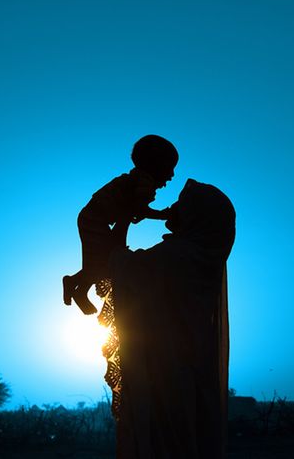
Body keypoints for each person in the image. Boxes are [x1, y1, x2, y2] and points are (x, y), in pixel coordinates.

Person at [102, 178, 236, 459]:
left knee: (166, 440)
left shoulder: (178, 256)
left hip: (167, 371)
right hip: (187, 369)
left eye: (181, 205)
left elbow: (119, 264)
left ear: (196, 217)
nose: (173, 207)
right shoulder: (201, 257)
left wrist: (125, 218)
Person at [62, 135, 179, 315]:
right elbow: (137, 210)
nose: (171, 176)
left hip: (97, 219)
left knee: (102, 260)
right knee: (103, 261)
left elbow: (131, 212)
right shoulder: (142, 182)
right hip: (95, 219)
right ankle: (78, 288)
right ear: (155, 165)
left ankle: (76, 285)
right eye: (169, 168)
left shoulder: (138, 180)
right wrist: (163, 214)